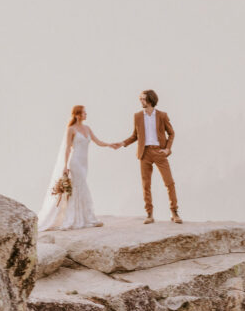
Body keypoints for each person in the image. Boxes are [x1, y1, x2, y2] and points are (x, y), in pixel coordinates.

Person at [38, 105, 117, 232]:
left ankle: (85, 218)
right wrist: (65, 165)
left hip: (84, 163)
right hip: (74, 162)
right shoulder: (71, 129)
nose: (86, 115)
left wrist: (110, 145)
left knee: (81, 186)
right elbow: (68, 148)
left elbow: (98, 141)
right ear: (77, 115)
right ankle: (75, 218)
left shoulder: (87, 128)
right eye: (84, 113)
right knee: (79, 187)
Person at [114, 89, 182, 224]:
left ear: (150, 99)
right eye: (140, 99)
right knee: (146, 185)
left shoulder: (162, 115)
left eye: (143, 99)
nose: (140, 101)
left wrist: (167, 149)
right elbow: (135, 136)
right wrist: (123, 143)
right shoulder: (138, 116)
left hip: (159, 152)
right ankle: (149, 214)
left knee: (169, 182)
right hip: (144, 153)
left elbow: (171, 133)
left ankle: (174, 212)